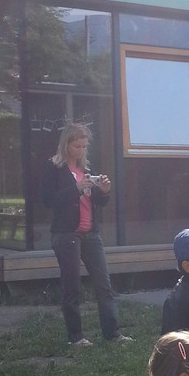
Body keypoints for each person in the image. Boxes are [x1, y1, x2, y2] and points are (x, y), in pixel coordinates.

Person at [40, 122, 131, 348]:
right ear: (67, 144)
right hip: (66, 234)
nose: (81, 150)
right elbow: (48, 200)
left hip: (91, 233)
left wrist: (104, 191)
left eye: (84, 146)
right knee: (72, 287)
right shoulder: (54, 168)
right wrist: (77, 188)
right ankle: (76, 337)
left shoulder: (85, 169)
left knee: (104, 285)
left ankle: (113, 334)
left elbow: (96, 202)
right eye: (77, 146)